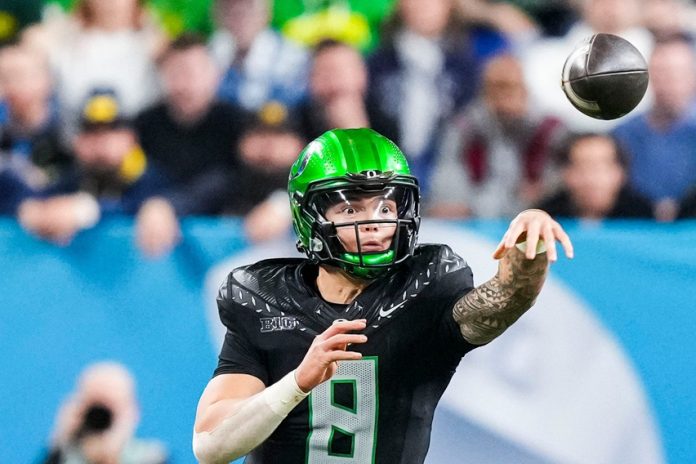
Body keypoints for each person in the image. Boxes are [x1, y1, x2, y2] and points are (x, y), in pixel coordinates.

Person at [192, 128, 573, 463]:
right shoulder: (265, 298)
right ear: (311, 219)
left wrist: (528, 262)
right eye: (350, 209)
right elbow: (211, 447)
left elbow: (501, 303)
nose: (373, 223)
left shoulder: (427, 285)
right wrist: (297, 383)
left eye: (385, 206)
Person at [428, 53, 566, 218]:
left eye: (513, 86)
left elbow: (563, 177)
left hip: (536, 218)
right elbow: (448, 176)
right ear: (484, 90)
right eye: (498, 86)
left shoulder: (550, 130)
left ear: (526, 88)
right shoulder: (465, 128)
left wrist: (545, 190)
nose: (506, 94)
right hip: (476, 218)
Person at [613, 34, 696, 221]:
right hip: (635, 227)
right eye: (662, 72)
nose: (670, 82)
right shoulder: (622, 134)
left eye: (679, 73)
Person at [42, 361, 167, 464]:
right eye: (94, 408)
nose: (100, 418)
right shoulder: (61, 456)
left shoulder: (152, 458)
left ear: (133, 412)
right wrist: (59, 445)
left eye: (109, 409)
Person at [536, 132, 654, 219]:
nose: (592, 179)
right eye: (582, 168)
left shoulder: (643, 216)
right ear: (565, 173)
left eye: (601, 168)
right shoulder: (545, 216)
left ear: (620, 173)